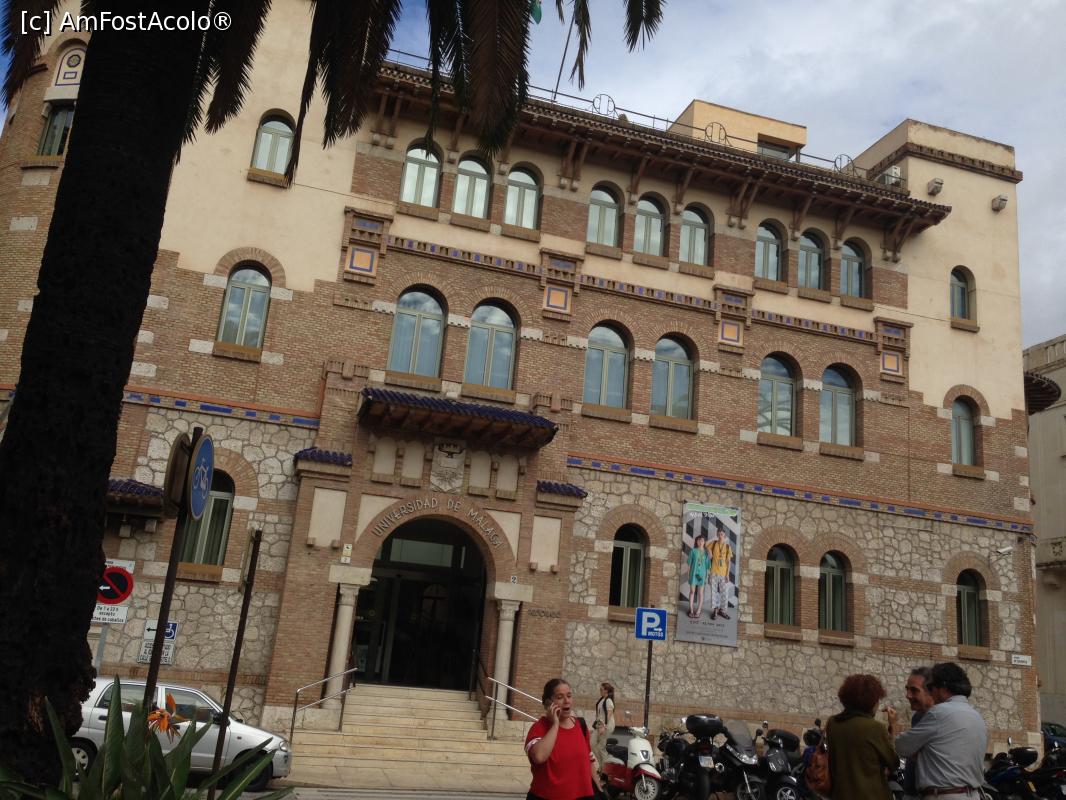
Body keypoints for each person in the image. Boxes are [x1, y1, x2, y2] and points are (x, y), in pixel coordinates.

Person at [889, 662, 987, 799]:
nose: (930, 693)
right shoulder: (977, 717)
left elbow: (902, 746)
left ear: (943, 687)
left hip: (943, 795)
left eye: (930, 687)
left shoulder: (938, 712)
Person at [825, 674, 898, 800]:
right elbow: (893, 762)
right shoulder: (874, 728)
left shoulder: (832, 723)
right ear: (870, 702)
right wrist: (892, 726)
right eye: (877, 700)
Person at [525, 677, 600, 800]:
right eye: (560, 697)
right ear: (548, 703)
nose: (567, 701)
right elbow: (539, 757)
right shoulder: (539, 728)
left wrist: (599, 790)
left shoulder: (580, 725)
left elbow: (589, 762)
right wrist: (555, 725)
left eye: (569, 696)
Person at [900, 667, 935, 800]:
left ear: (930, 691)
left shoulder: (940, 719)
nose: (908, 695)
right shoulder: (917, 717)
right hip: (911, 791)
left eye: (914, 690)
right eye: (907, 689)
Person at [706, 521, 733, 620]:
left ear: (724, 535)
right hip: (713, 572)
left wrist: (727, 574)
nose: (720, 535)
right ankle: (715, 611)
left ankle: (723, 611)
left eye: (722, 534)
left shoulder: (728, 547)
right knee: (714, 593)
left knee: (724, 593)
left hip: (723, 573)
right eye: (719, 534)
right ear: (717, 535)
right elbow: (706, 546)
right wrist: (709, 552)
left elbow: (729, 562)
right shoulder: (713, 544)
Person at [592, 682, 616, 771]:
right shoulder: (602, 699)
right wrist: (598, 724)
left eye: (601, 689)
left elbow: (609, 714)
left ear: (606, 691)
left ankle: (604, 770)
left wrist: (604, 726)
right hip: (599, 725)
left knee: (601, 747)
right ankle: (602, 765)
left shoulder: (608, 700)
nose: (600, 691)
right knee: (592, 743)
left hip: (606, 725)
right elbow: (600, 713)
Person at [686, 533, 708, 618]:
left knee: (700, 593)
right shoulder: (693, 551)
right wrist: (688, 574)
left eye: (702, 540)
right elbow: (689, 564)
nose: (700, 542)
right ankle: (691, 609)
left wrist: (707, 576)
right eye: (699, 540)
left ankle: (698, 610)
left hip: (702, 575)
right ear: (696, 542)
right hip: (693, 573)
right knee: (692, 591)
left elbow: (707, 566)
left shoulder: (706, 553)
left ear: (704, 542)